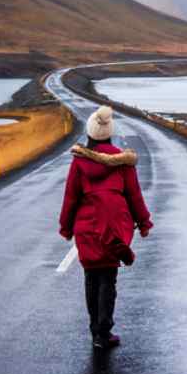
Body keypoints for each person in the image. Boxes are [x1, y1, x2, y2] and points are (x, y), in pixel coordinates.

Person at [58, 105, 152, 350]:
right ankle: (104, 332)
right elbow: (134, 196)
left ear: (89, 133)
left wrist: (66, 227)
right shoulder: (124, 162)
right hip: (113, 231)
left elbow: (70, 198)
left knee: (91, 278)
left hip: (87, 230)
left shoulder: (79, 163)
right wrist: (143, 222)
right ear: (110, 132)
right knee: (108, 280)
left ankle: (95, 331)